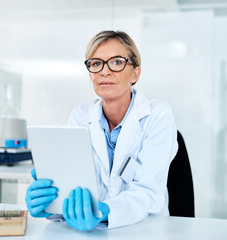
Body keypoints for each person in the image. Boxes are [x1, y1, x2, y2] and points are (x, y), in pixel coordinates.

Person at [25, 30, 178, 231]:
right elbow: (75, 189)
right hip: (91, 232)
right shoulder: (80, 117)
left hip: (143, 230)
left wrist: (104, 212)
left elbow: (148, 192)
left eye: (116, 62)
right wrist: (50, 202)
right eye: (96, 63)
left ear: (135, 73)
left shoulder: (157, 115)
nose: (104, 71)